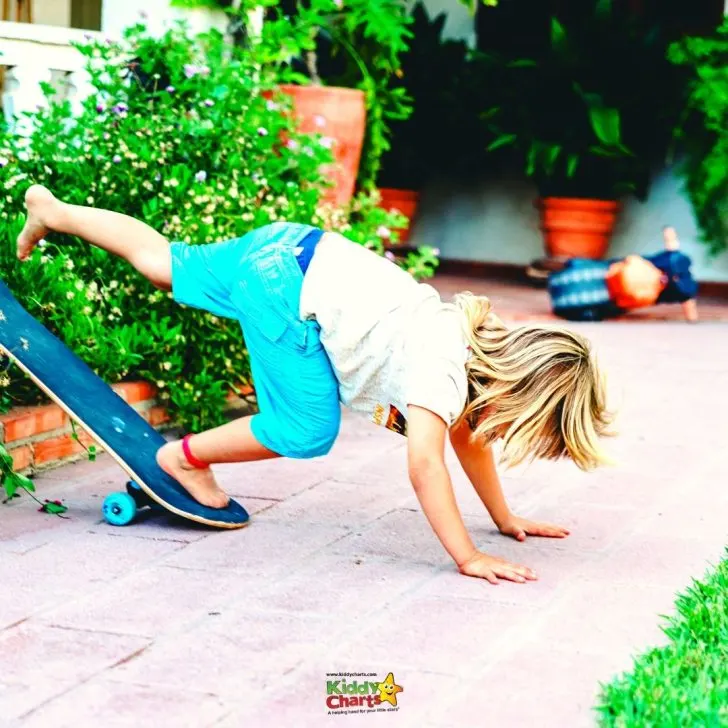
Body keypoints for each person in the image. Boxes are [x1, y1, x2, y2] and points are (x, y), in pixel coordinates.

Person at [17, 184, 612, 584]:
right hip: (285, 286)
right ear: (518, 396)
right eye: (526, 431)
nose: (509, 438)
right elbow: (427, 464)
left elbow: (469, 439)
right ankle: (182, 458)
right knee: (305, 429)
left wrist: (504, 517)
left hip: (296, 249)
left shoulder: (464, 344)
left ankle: (54, 212)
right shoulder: (443, 370)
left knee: (162, 260)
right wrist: (469, 555)